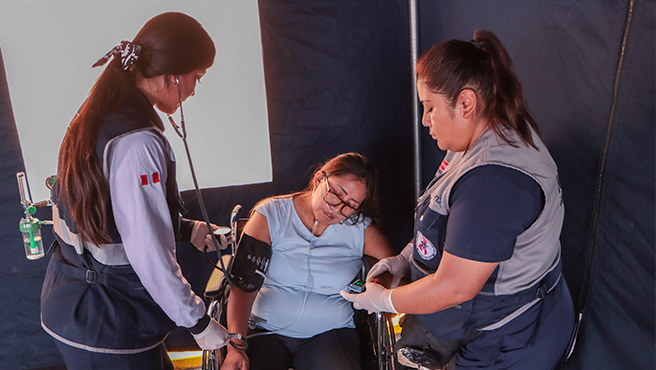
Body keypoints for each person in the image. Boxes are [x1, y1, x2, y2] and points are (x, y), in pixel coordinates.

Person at [341, 31, 575, 370]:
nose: (425, 120)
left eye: (430, 108)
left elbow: (455, 288)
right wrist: (406, 258)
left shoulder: (495, 181)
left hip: (508, 339)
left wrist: (384, 300)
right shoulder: (479, 137)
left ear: (466, 103)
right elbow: (446, 217)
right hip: (488, 326)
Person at [40, 12, 232, 370]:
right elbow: (149, 254)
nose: (193, 90)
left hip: (73, 303)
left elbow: (110, 214)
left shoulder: (96, 114)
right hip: (106, 319)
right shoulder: (137, 142)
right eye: (197, 78)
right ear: (173, 74)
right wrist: (199, 323)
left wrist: (190, 230)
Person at [221, 152, 395, 370]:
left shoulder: (358, 228)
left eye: (351, 204)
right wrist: (235, 346)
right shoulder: (271, 215)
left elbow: (393, 265)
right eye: (337, 194)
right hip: (264, 330)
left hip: (330, 333)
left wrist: (379, 283)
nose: (338, 209)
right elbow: (243, 283)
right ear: (319, 178)